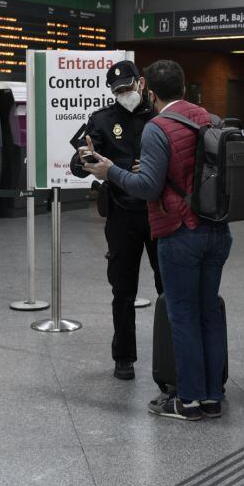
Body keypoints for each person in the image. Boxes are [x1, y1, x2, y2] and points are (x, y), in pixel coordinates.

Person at [83, 60, 230, 422]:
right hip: (215, 229)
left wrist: (109, 171)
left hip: (177, 228)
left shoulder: (158, 126)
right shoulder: (212, 120)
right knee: (206, 312)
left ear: (147, 87)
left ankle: (189, 400)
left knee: (180, 315)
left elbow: (148, 185)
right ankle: (212, 396)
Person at [69, 60, 163, 380]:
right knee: (122, 290)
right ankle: (124, 357)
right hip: (122, 216)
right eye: (117, 90)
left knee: (168, 288)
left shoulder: (160, 116)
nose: (124, 94)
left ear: (141, 83)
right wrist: (84, 160)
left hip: (158, 215)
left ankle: (171, 355)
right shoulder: (103, 120)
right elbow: (78, 162)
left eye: (127, 87)